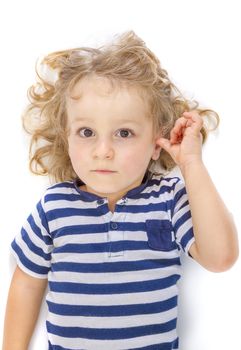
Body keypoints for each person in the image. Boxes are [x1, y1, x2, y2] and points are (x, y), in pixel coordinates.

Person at [2, 31, 238, 350]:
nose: (103, 150)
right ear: (66, 136)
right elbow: (27, 284)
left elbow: (221, 258)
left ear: (157, 141)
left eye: (123, 133)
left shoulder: (169, 200)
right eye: (87, 132)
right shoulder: (54, 206)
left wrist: (192, 163)